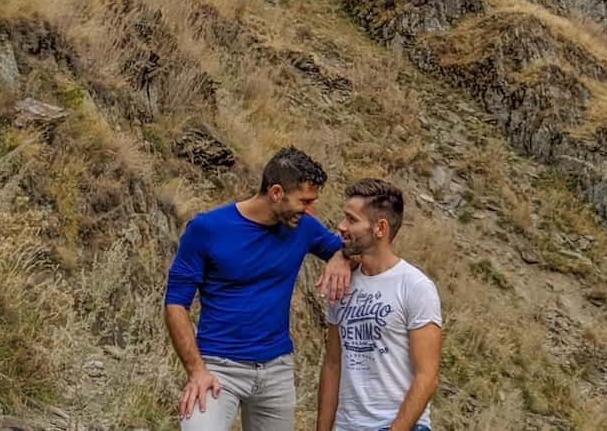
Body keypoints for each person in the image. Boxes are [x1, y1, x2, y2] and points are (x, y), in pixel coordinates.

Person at [165, 146, 353, 430]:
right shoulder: (207, 229)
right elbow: (176, 303)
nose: (310, 210)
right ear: (276, 192)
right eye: (304, 201)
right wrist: (196, 370)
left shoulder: (303, 227)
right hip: (218, 369)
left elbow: (361, 247)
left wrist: (341, 256)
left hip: (276, 370)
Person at [316, 179, 442, 431]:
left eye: (351, 220)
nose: (341, 226)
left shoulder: (415, 286)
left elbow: (427, 377)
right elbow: (332, 364)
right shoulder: (342, 283)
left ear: (380, 228)